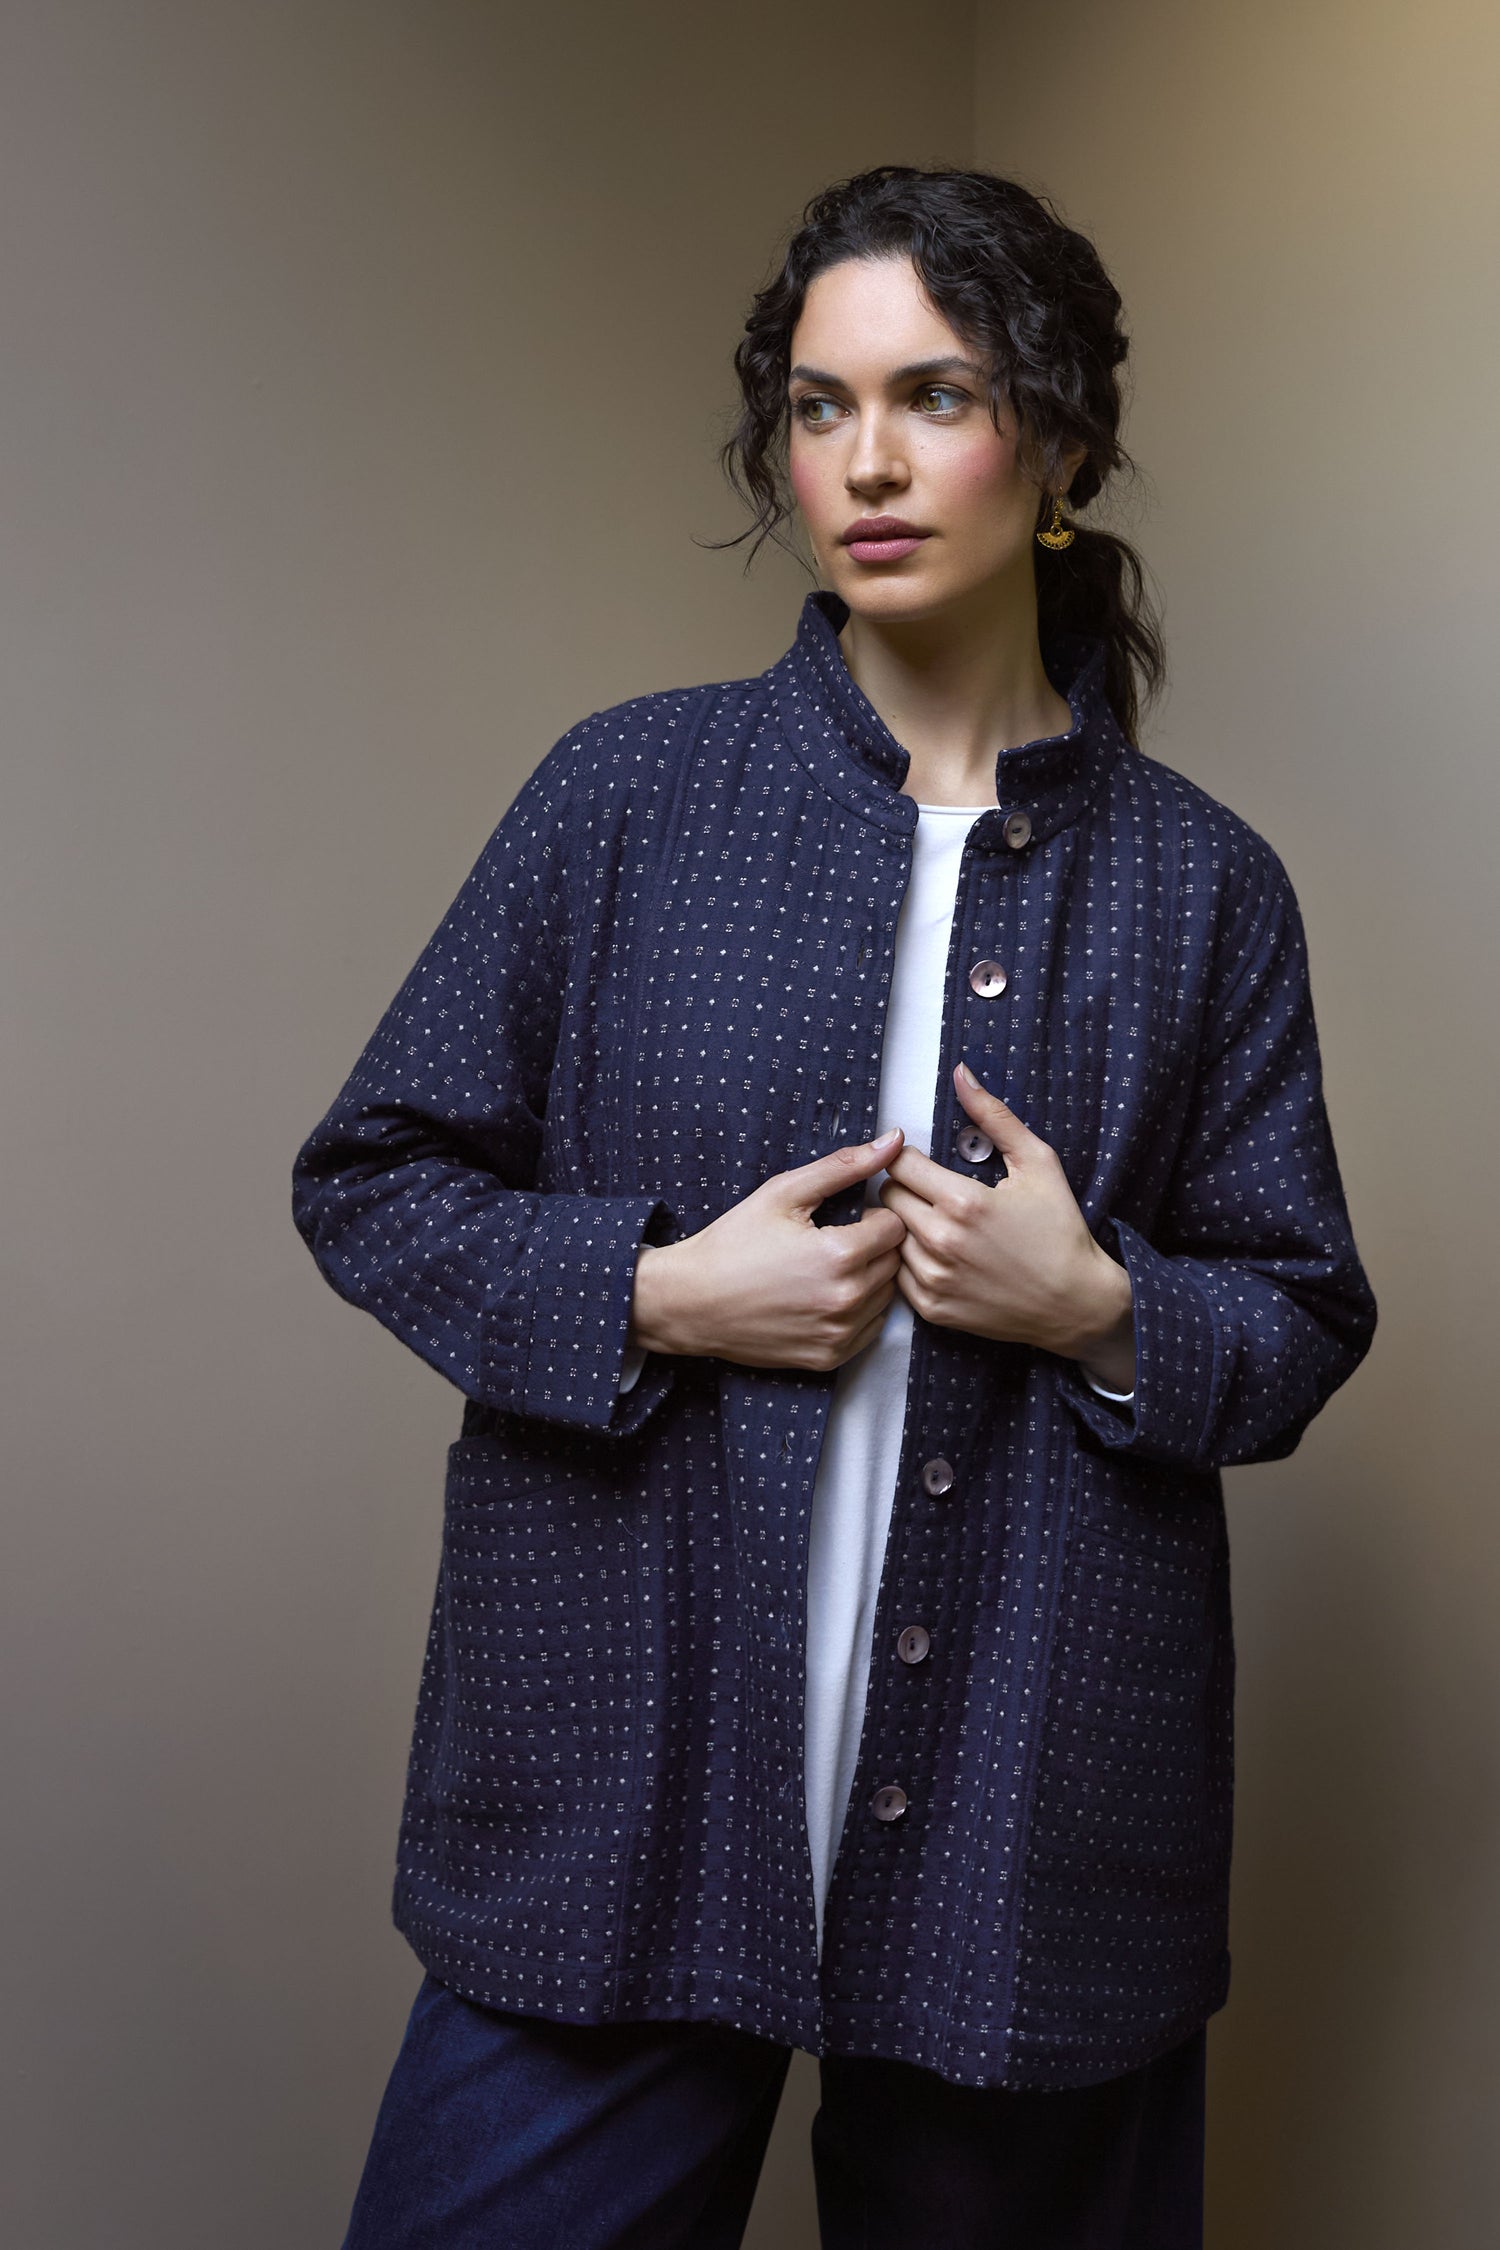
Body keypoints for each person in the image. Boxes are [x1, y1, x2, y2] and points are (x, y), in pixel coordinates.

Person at [292, 165, 1376, 2249]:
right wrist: (656, 1291)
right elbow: (374, 1180)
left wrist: (1102, 1306)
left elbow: (1303, 1318)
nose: (864, 460)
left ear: (1059, 445)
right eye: (815, 406)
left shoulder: (1203, 886)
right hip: (629, 1790)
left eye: (934, 395)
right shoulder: (623, 795)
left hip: (1032, 1837)